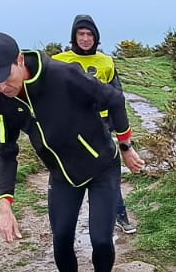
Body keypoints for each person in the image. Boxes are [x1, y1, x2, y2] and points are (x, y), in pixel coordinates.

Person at [0, 32, 144, 272]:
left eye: (5, 76)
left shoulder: (63, 75)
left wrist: (126, 145)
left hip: (101, 166)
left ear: (20, 60)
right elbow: (6, 150)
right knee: (62, 237)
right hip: (62, 174)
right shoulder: (0, 99)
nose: (2, 86)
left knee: (101, 238)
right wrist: (5, 203)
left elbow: (115, 99)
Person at [52, 15, 137, 233]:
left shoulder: (106, 62)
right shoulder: (58, 60)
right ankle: (64, 223)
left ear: (96, 37)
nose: (85, 38)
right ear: (74, 36)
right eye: (81, 34)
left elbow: (117, 95)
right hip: (71, 129)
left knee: (106, 171)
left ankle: (119, 215)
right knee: (68, 173)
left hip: (101, 127)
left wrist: (119, 130)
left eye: (90, 34)